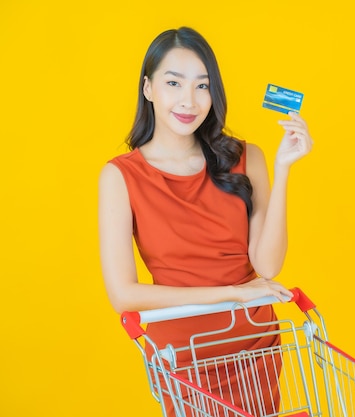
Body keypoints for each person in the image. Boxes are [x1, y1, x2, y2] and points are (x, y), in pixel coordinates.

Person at [98, 26, 312, 416]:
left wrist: (282, 170)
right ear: (148, 88)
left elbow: (267, 265)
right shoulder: (121, 177)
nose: (189, 100)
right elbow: (123, 295)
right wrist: (231, 294)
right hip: (185, 362)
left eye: (202, 85)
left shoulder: (249, 157)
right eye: (173, 83)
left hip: (255, 349)